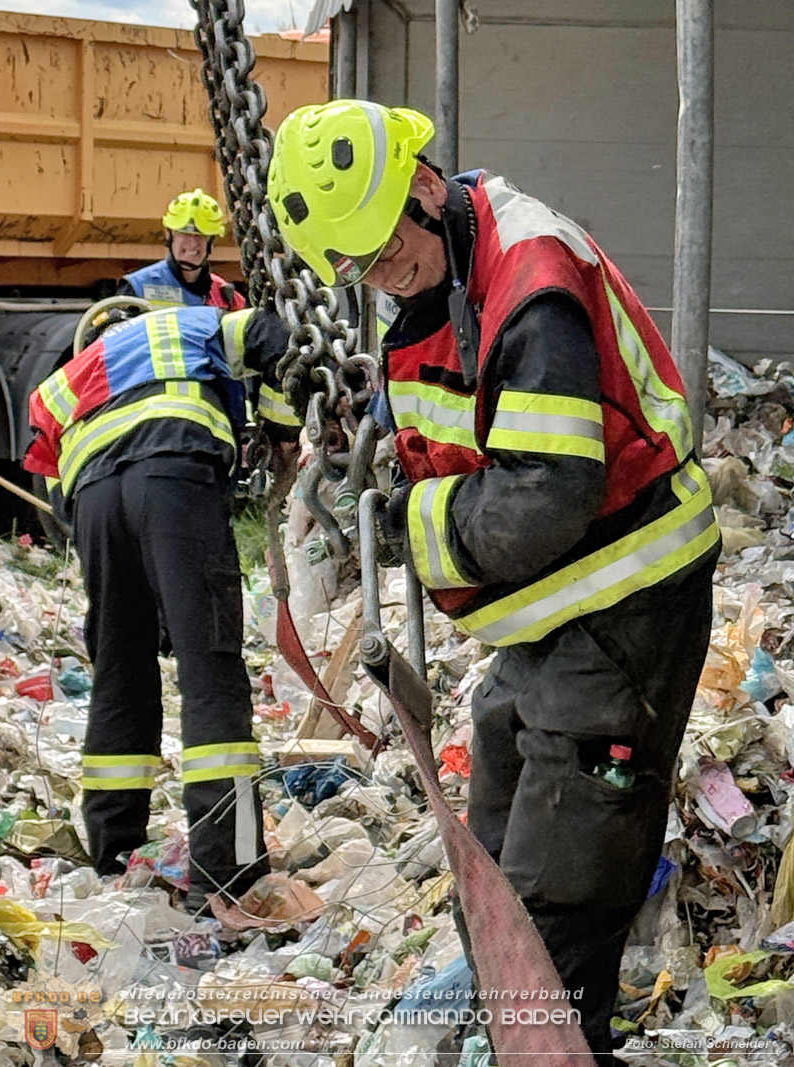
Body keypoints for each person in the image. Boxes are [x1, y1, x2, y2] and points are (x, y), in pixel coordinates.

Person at [266, 99, 720, 1062]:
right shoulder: (444, 273)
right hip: (551, 621)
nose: (380, 277)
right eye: (357, 266)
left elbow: (548, 493)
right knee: (498, 869)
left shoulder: (530, 278)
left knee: (556, 909)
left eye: (385, 249)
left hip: (622, 604)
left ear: (426, 188)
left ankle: (556, 1041)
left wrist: (414, 520)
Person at [23, 302, 298, 910]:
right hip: (174, 472)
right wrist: (281, 430)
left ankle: (113, 853)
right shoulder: (187, 324)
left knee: (121, 677)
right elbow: (269, 334)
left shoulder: (64, 380)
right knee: (211, 673)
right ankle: (226, 873)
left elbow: (53, 482)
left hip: (94, 502)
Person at [120, 189, 246, 311]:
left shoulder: (226, 296)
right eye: (184, 234)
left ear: (211, 241)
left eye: (201, 235)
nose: (192, 243)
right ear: (169, 235)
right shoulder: (137, 287)